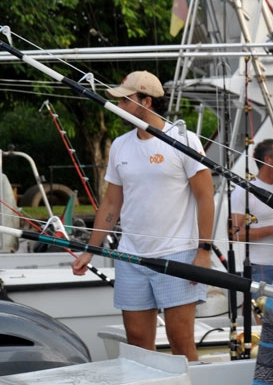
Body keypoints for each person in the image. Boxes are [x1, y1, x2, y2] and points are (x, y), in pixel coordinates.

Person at [72, 70, 214, 361]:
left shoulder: (183, 139)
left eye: (126, 101)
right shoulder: (121, 145)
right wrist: (91, 249)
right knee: (136, 341)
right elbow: (111, 203)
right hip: (131, 257)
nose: (119, 107)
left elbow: (205, 197)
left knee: (180, 340)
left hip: (179, 255)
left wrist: (204, 250)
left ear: (146, 101)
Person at [229, 139, 273, 284]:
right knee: (262, 307)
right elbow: (234, 233)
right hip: (260, 268)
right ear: (268, 159)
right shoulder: (244, 190)